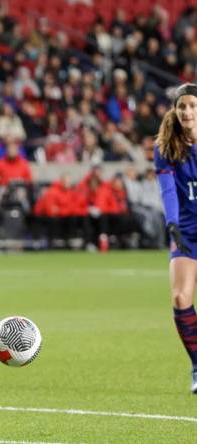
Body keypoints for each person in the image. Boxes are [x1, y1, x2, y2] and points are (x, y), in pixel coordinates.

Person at [153, 83, 197, 394]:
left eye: (193, 105)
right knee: (181, 298)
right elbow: (168, 191)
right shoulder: (166, 146)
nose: (187, 111)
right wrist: (172, 224)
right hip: (186, 232)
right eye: (182, 106)